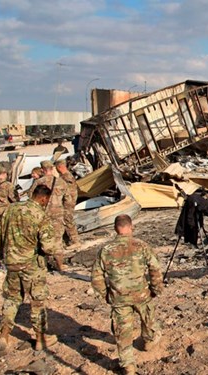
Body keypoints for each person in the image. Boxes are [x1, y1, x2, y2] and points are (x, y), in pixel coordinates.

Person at [0, 185, 61, 357]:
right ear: (44, 199)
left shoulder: (11, 209)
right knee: (37, 302)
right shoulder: (40, 215)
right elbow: (48, 246)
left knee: (11, 299)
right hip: (32, 265)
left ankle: (4, 336)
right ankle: (40, 339)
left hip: (12, 263)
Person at [91, 215, 163, 375]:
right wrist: (156, 289)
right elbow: (155, 269)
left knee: (123, 331)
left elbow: (96, 277)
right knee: (148, 319)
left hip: (119, 297)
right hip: (142, 294)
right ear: (131, 227)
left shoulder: (106, 250)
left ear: (115, 228)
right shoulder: (142, 246)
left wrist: (106, 294)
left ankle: (128, 365)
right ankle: (148, 341)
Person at [29, 160, 68, 263]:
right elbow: (68, 198)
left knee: (44, 237)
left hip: (43, 213)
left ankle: (46, 262)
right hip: (58, 213)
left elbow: (31, 197)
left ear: (42, 170)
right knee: (58, 238)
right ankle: (60, 264)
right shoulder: (61, 182)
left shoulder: (39, 182)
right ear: (52, 169)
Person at [55, 159, 80, 247]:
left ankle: (75, 241)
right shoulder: (67, 175)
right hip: (69, 201)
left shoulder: (65, 177)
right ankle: (68, 240)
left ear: (59, 167)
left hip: (68, 202)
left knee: (67, 220)